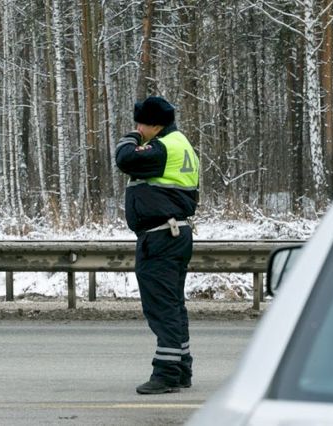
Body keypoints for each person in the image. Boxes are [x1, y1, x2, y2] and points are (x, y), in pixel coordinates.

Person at [115, 96, 200, 394]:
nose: (138, 128)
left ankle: (166, 373)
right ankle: (181, 367)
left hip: (161, 237)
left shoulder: (163, 147)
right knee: (173, 304)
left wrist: (130, 138)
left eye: (141, 124)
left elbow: (125, 159)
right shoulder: (181, 143)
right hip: (174, 233)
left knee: (161, 307)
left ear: (155, 125)